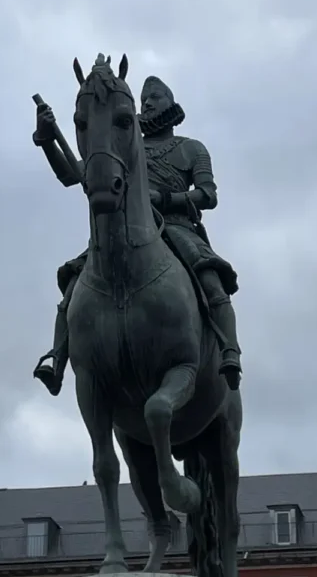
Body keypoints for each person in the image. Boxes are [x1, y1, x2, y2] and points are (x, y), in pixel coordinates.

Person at [32, 75, 241, 394]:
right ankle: (57, 356)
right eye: (144, 100)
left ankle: (229, 351)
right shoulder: (127, 146)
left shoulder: (191, 148)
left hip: (176, 225)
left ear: (170, 102)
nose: (148, 104)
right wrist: (47, 140)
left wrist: (167, 199)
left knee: (210, 278)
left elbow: (207, 195)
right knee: (75, 283)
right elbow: (70, 174)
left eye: (155, 97)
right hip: (126, 229)